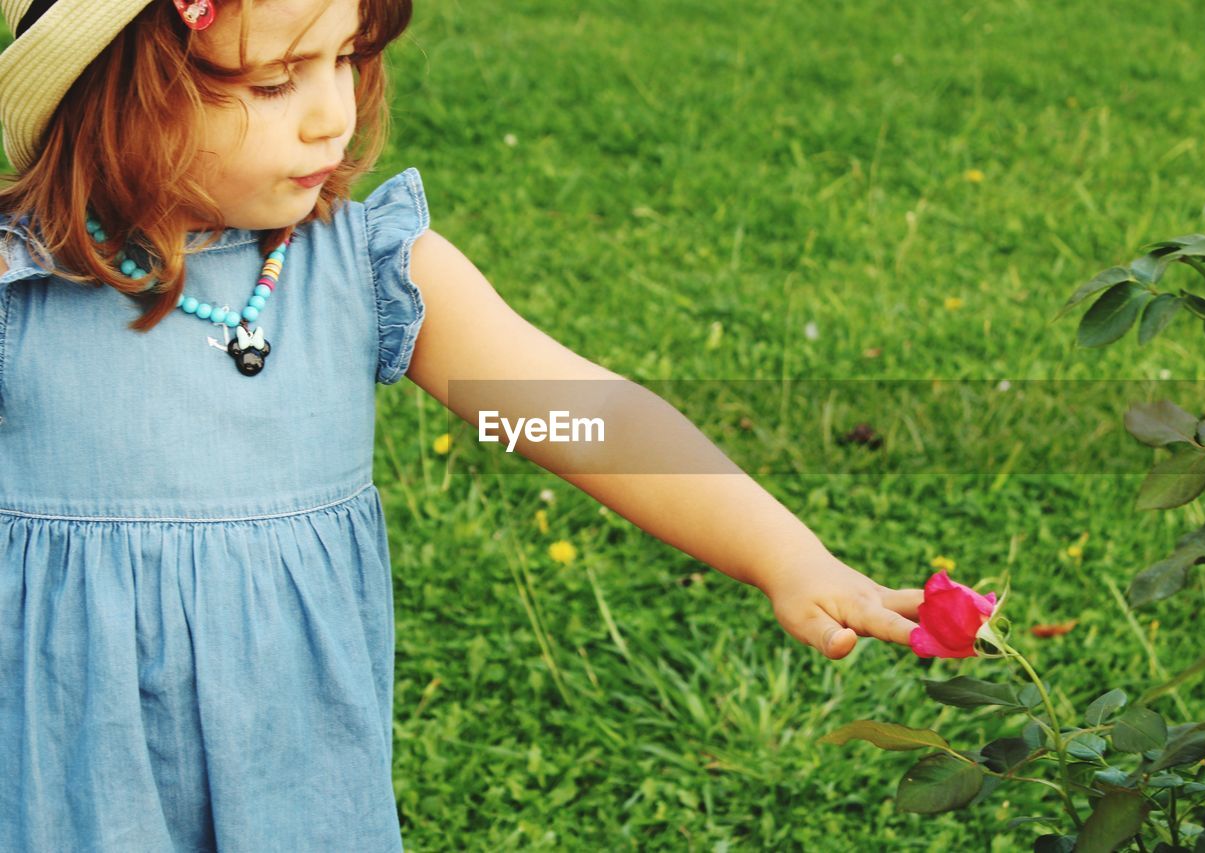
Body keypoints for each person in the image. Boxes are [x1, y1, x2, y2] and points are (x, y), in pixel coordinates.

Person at [0, 0, 925, 848]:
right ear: (113, 89)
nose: (333, 115)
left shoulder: (360, 268)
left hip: (296, 783)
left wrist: (784, 553)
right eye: (274, 81)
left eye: (348, 60)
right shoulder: (20, 289)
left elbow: (580, 411)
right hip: (68, 782)